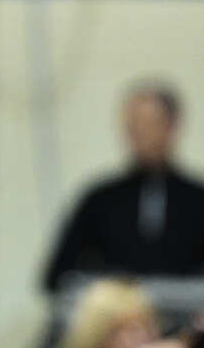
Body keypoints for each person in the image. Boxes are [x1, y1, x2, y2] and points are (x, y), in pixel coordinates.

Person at [44, 81, 204, 292]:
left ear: (172, 126)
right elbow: (57, 276)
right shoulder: (99, 200)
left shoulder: (197, 200)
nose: (140, 135)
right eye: (133, 126)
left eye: (149, 124)